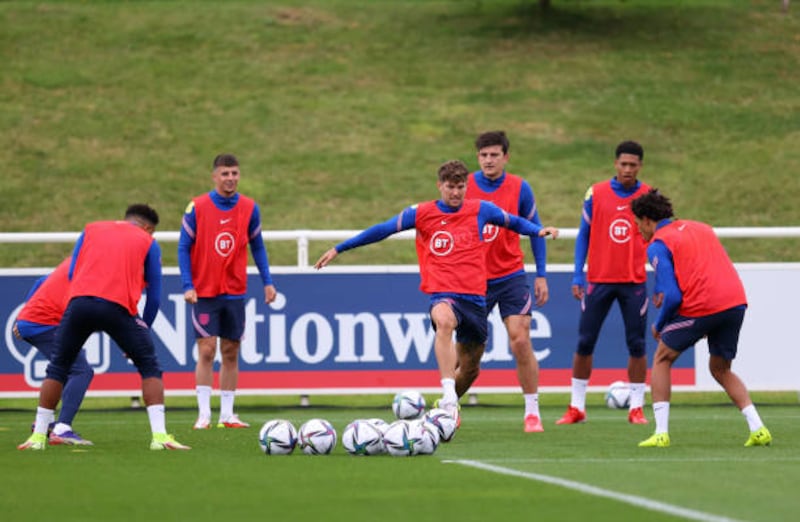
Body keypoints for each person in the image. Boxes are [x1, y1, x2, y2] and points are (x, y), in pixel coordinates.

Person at [314, 159, 559, 425]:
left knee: (470, 368)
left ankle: (446, 405)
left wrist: (538, 230)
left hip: (476, 298)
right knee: (444, 321)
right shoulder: (422, 213)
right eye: (450, 187)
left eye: (461, 187)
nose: (456, 193)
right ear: (439, 186)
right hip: (444, 294)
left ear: (467, 187)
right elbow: (382, 230)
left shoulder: (481, 209)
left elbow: (514, 223)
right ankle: (448, 396)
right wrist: (339, 248)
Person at [18, 204, 190, 451]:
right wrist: (144, 329)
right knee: (149, 366)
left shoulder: (91, 230)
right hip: (117, 307)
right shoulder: (148, 242)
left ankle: (37, 439)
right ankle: (160, 437)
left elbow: (72, 274)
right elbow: (153, 296)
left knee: (57, 367)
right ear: (148, 228)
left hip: (79, 304)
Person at [631, 189, 772, 448]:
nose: (638, 228)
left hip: (703, 305)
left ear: (647, 220)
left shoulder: (658, 244)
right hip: (735, 302)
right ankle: (758, 428)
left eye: (638, 223)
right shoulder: (702, 227)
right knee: (720, 368)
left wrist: (659, 324)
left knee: (662, 357)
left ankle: (661, 433)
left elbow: (672, 297)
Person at [178, 153, 277, 430]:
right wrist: (188, 285)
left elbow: (257, 246)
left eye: (234, 173)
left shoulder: (249, 207)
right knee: (207, 350)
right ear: (214, 176)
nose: (230, 178)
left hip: (234, 290)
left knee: (231, 351)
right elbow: (183, 247)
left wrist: (267, 281)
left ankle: (227, 415)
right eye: (225, 174)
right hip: (205, 291)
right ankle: (204, 415)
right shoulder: (197, 207)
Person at [557, 140, 651, 425]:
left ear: (640, 166)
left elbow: (661, 239)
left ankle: (636, 408)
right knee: (585, 342)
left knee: (637, 344)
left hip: (634, 282)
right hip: (599, 280)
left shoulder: (648, 196)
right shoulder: (596, 193)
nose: (627, 169)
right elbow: (584, 234)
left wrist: (662, 283)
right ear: (615, 163)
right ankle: (577, 407)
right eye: (623, 164)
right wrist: (577, 273)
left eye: (632, 165)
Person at [463, 131, 548, 433]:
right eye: (484, 155)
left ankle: (532, 412)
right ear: (478, 158)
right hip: (474, 280)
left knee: (520, 338)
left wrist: (541, 274)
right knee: (469, 358)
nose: (488, 160)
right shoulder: (465, 186)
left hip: (511, 275)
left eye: (494, 155)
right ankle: (449, 407)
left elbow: (535, 230)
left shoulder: (520, 188)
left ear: (505, 157)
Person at [14, 257, 95, 445]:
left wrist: (25, 314)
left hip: (37, 323)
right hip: (44, 324)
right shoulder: (96, 268)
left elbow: (41, 282)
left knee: (64, 370)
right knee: (81, 370)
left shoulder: (79, 261)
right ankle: (62, 428)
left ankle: (46, 423)